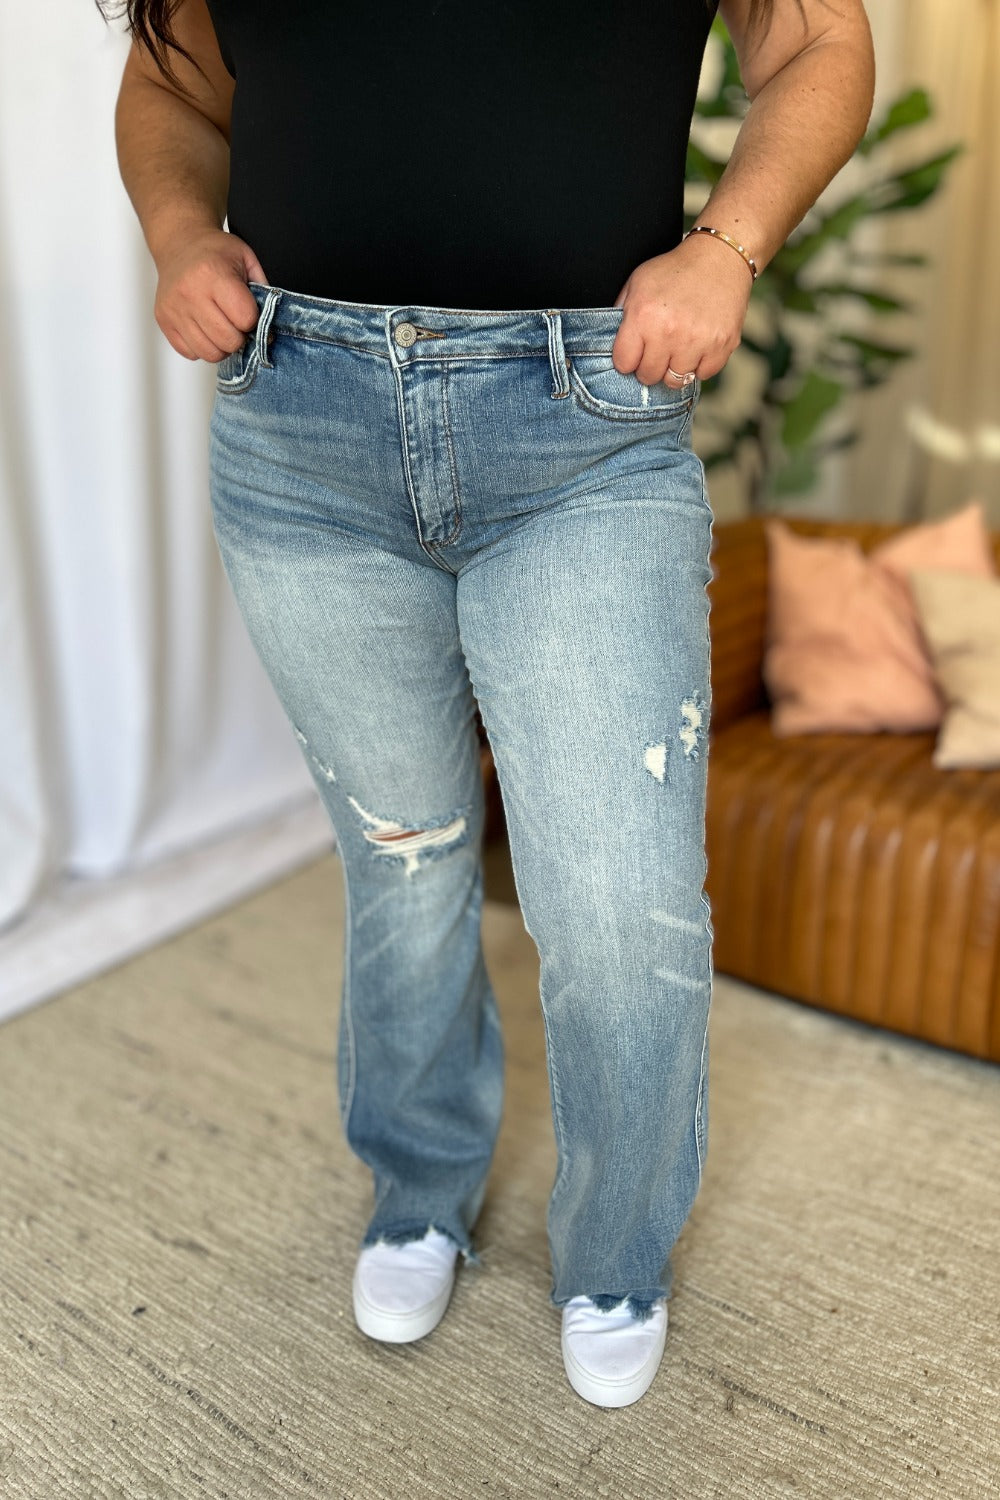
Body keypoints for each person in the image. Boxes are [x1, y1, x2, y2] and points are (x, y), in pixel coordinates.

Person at [107, 0, 875, 1409]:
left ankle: (617, 1256)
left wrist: (726, 246)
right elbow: (172, 86)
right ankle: (417, 1186)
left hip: (583, 428)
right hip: (301, 427)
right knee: (403, 856)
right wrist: (177, 234)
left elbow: (822, 46)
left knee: (617, 905)